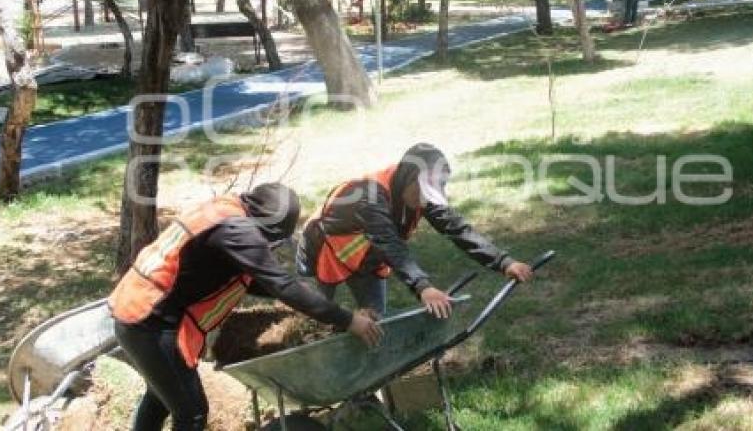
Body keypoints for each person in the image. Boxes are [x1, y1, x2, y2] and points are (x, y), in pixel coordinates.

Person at [109, 183, 382, 431]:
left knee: (159, 398)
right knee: (191, 414)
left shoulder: (225, 212)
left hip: (136, 308)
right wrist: (348, 320)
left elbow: (256, 280)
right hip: (149, 320)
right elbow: (281, 284)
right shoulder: (237, 232)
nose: (269, 247)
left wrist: (308, 304)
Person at [296, 143, 534, 319]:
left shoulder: (419, 194)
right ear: (407, 178)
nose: (424, 201)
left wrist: (503, 262)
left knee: (374, 322)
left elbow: (457, 228)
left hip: (367, 258)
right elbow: (390, 243)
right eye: (421, 191)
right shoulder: (370, 194)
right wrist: (423, 287)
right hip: (323, 249)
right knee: (313, 320)